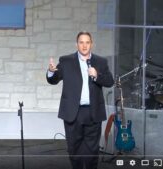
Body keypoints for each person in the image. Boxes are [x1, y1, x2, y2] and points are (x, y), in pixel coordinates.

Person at [46, 31, 114, 169]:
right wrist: (51, 71)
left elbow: (109, 82)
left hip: (92, 112)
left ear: (91, 44)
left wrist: (97, 75)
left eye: (87, 42)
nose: (84, 46)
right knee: (74, 150)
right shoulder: (66, 61)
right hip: (73, 113)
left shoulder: (101, 61)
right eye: (81, 42)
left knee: (92, 151)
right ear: (77, 44)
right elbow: (53, 80)